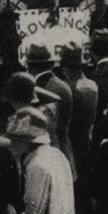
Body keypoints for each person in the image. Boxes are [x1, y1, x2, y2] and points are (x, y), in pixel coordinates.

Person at [58, 42, 99, 214]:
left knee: (75, 208)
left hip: (73, 149)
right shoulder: (91, 85)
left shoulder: (68, 90)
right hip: (87, 146)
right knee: (86, 206)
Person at [25, 43, 75, 175]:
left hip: (48, 157)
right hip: (65, 153)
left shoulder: (39, 89)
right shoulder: (63, 85)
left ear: (30, 66)